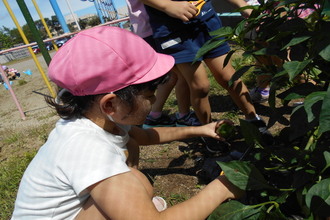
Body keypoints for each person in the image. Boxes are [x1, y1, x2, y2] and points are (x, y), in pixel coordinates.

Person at [11, 26, 243, 219]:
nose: (154, 100)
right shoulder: (87, 149)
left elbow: (146, 136)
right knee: (135, 183)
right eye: (150, 95)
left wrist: (201, 129)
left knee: (136, 175)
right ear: (110, 104)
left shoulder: (99, 119)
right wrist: (222, 188)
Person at [140, 0, 273, 149]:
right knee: (200, 86)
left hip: (205, 21)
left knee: (229, 77)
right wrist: (167, 6)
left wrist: (242, 6)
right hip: (172, 30)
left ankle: (253, 119)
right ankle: (208, 130)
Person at [126, 0, 201, 128]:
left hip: (148, 28)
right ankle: (183, 116)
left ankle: (155, 114)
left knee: (172, 76)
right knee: (181, 75)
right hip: (154, 27)